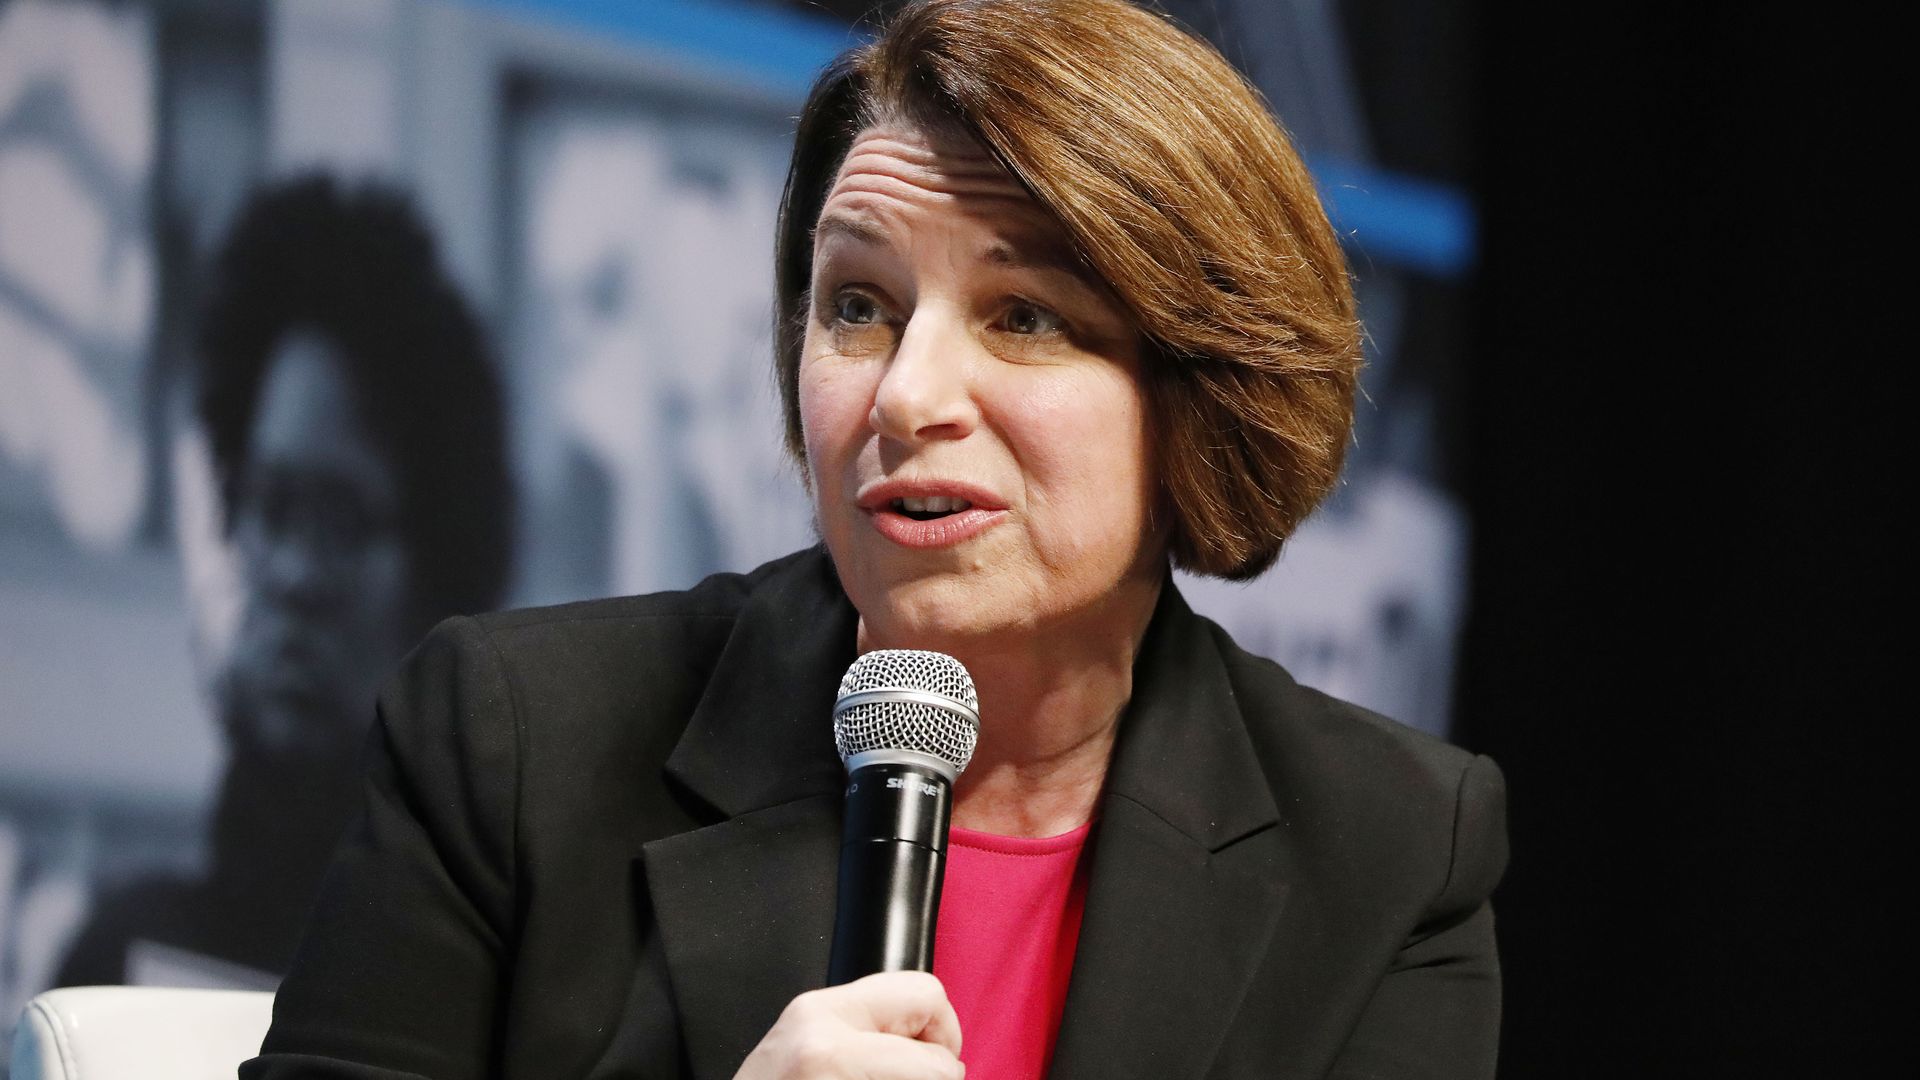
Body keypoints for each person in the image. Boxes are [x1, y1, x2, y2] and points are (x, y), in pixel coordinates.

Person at [246, 1, 1505, 1077]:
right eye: (858, 306)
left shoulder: (1388, 849)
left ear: (1204, 397)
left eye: (1023, 316)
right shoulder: (510, 744)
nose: (904, 396)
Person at [55, 176, 514, 988]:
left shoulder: (486, 993)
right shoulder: (115, 973)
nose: (297, 574)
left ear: (438, 573)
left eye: (343, 520)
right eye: (271, 506)